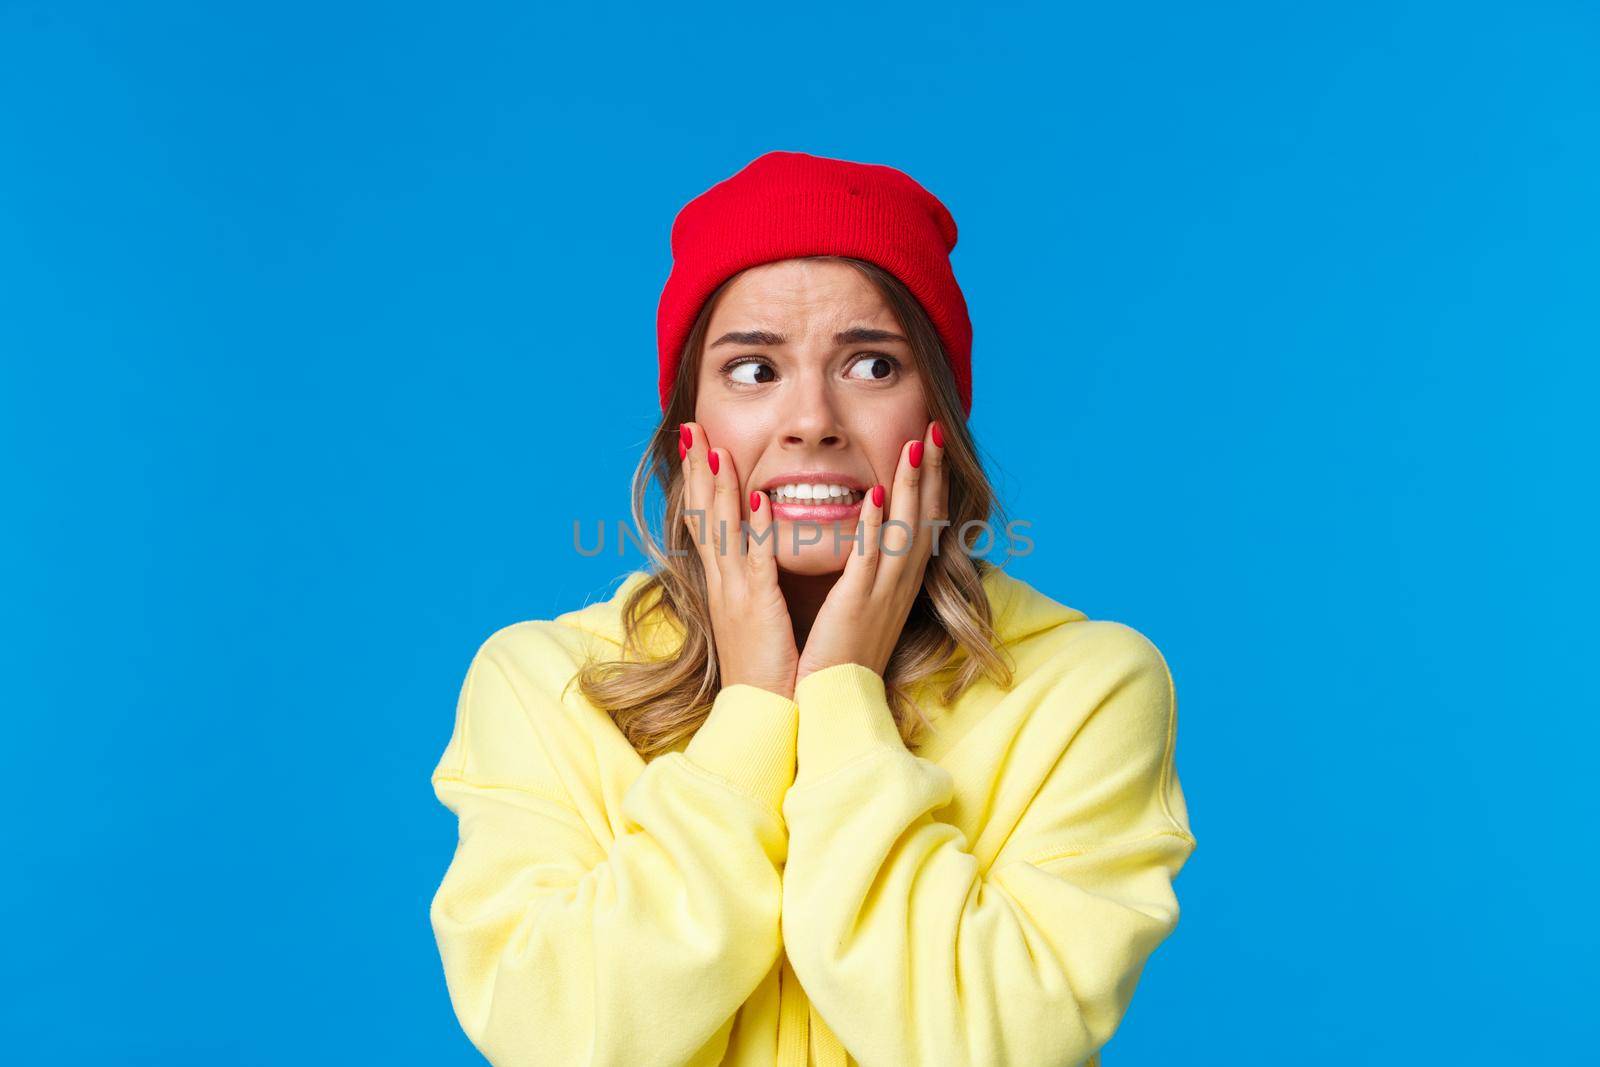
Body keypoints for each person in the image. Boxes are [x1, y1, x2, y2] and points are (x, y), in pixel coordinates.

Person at [427, 150, 1197, 1067]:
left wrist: (839, 696)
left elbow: (993, 1046)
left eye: (872, 364)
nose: (811, 421)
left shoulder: (1087, 687)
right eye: (753, 369)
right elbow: (564, 1040)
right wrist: (754, 713)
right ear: (687, 426)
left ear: (939, 414)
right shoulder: (542, 685)